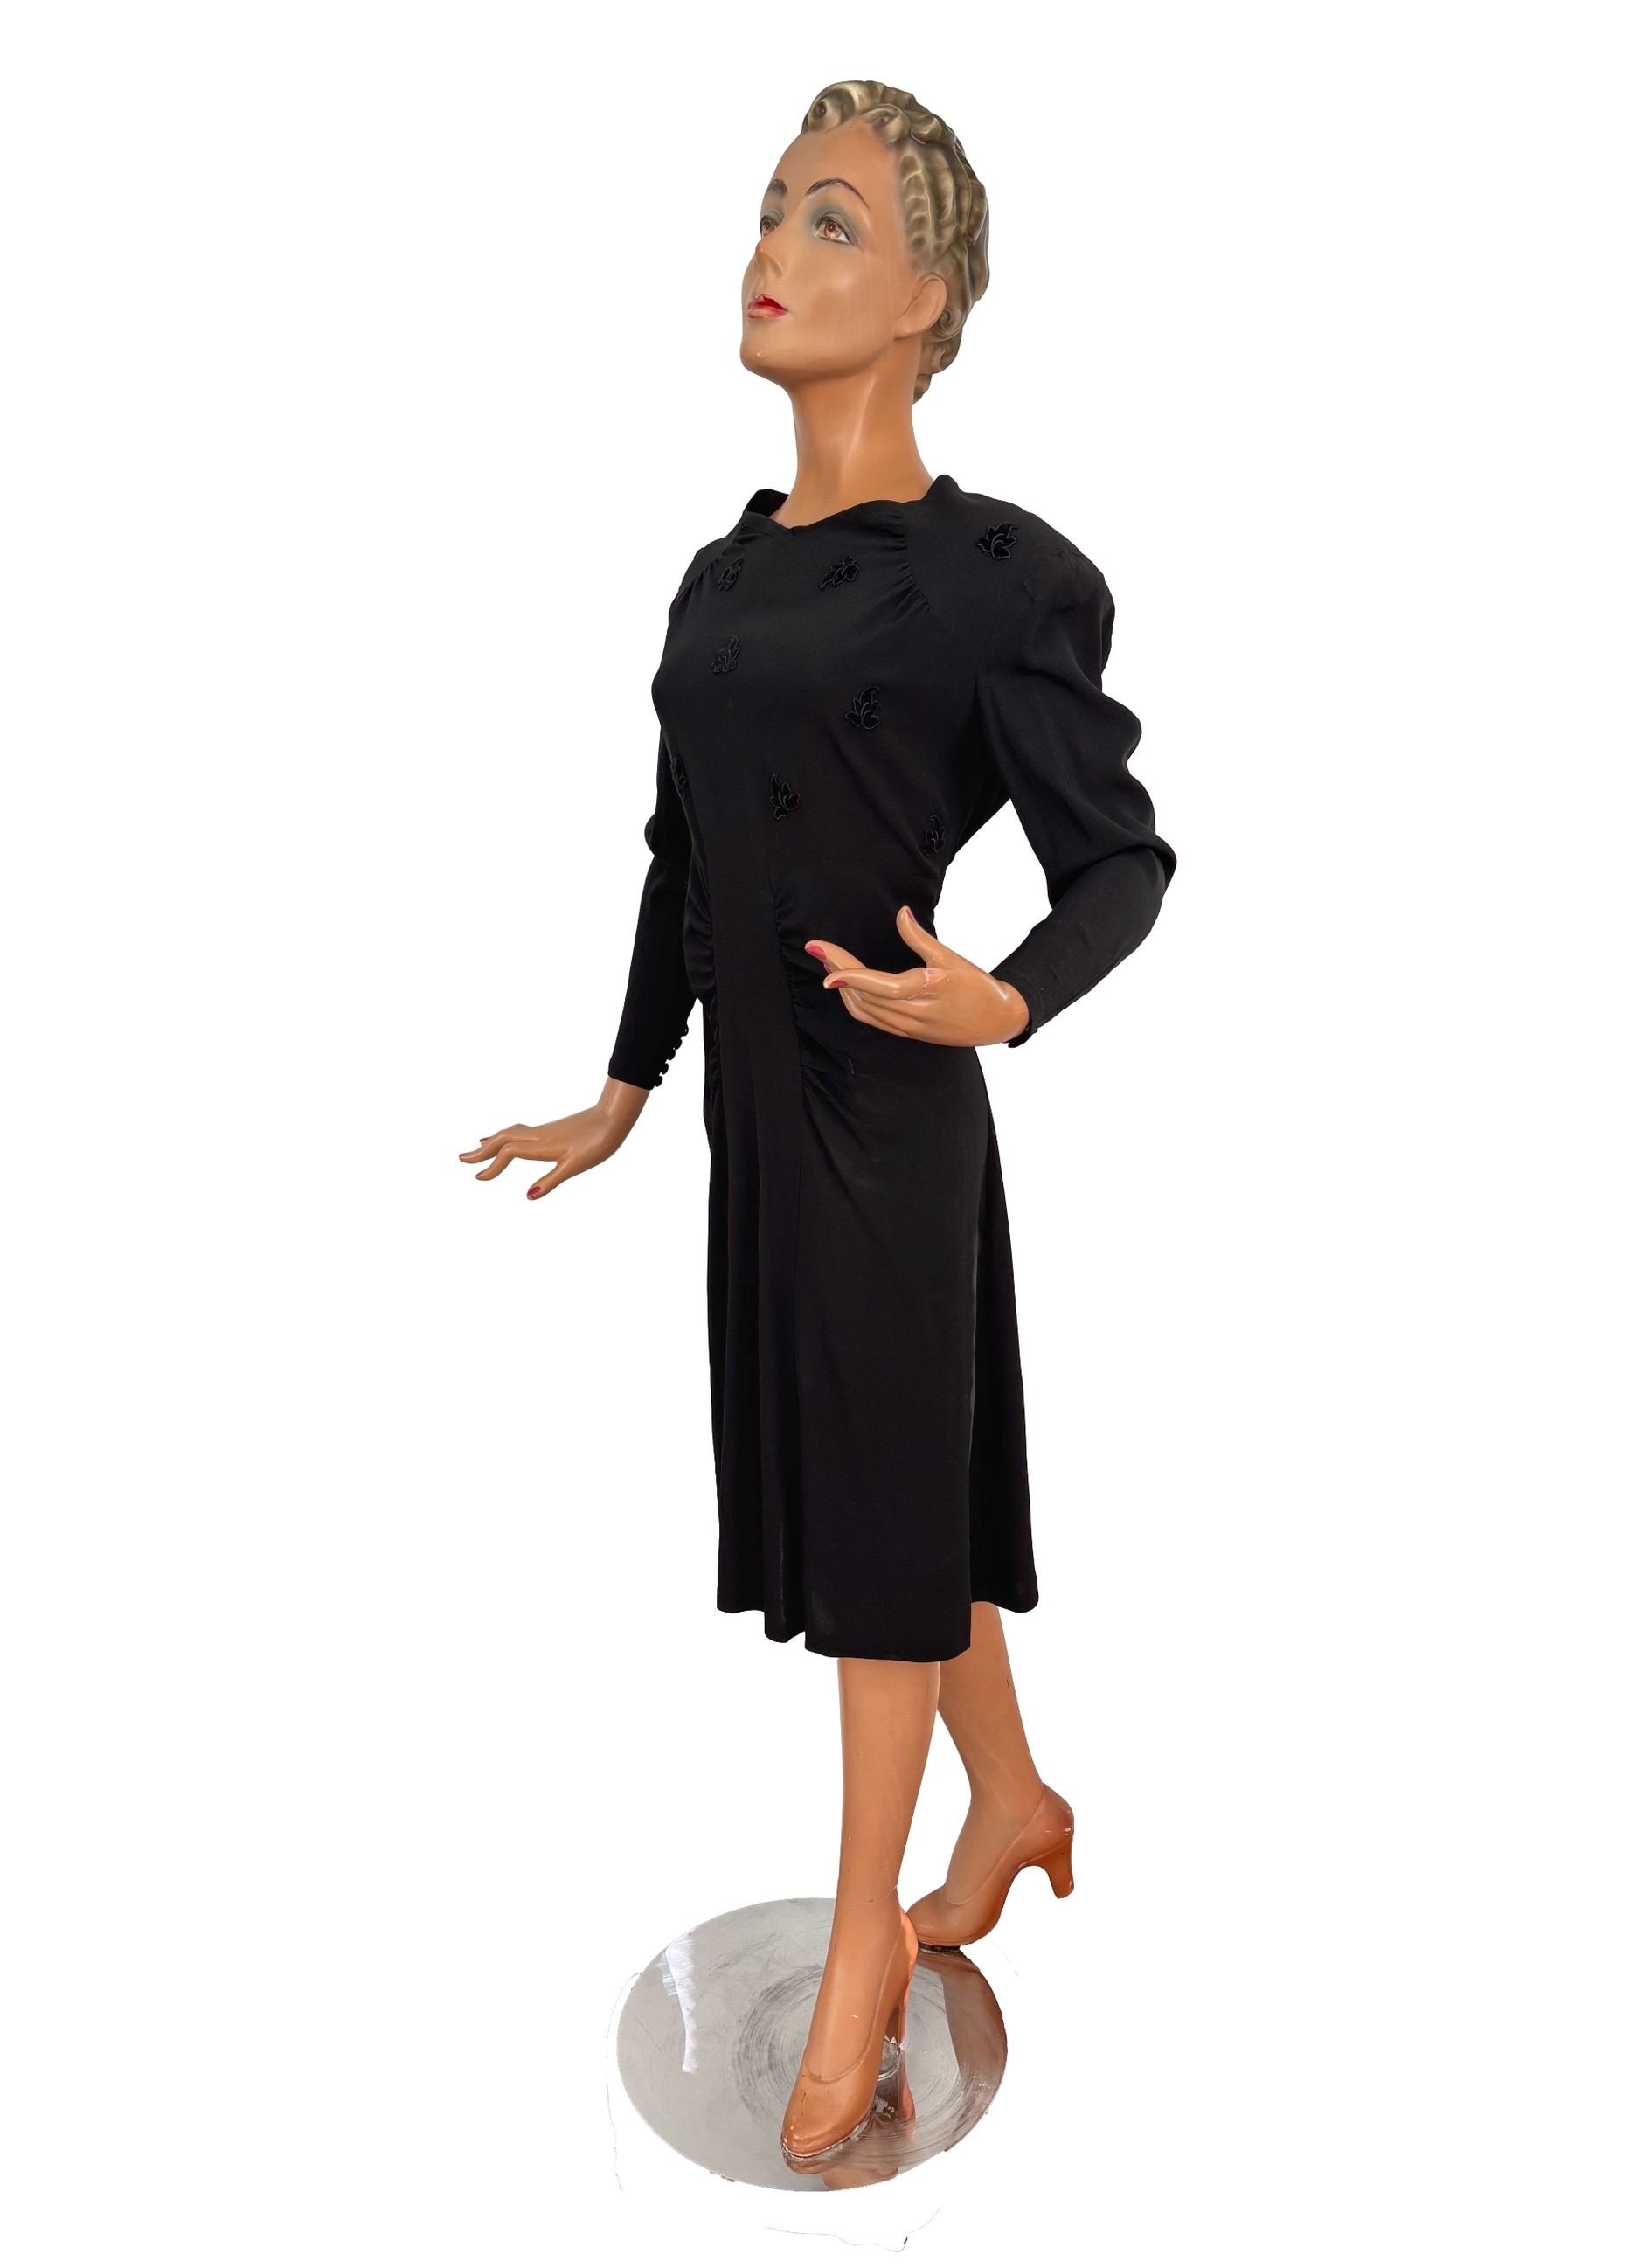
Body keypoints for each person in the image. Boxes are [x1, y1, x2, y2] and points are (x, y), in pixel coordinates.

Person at [460, 79, 1176, 2170]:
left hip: (891, 1115)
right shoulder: (715, 577)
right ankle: (1014, 1795)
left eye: (836, 219)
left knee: (875, 1546)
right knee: (888, 1494)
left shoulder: (990, 578)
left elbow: (1122, 859)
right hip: (759, 1127)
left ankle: (867, 1929)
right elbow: (683, 853)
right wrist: (622, 1088)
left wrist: (1007, 993)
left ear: (931, 297)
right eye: (772, 208)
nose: (776, 249)